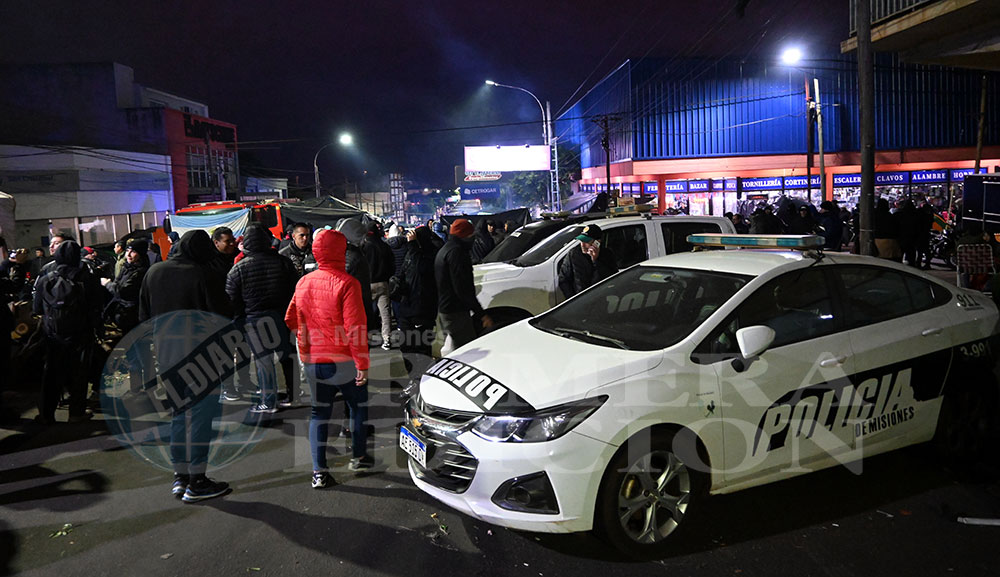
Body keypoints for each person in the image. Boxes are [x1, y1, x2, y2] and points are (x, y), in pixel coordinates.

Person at [138, 230, 232, 503]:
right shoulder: (203, 273)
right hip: (203, 357)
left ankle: (180, 477)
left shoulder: (154, 272)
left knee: (179, 415)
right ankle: (198, 480)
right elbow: (222, 314)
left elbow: (143, 316)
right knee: (201, 418)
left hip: (167, 356)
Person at [285, 229, 373, 488]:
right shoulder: (347, 283)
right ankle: (358, 457)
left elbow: (290, 318)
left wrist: (306, 338)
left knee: (318, 413)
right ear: (340, 252)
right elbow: (355, 328)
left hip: (313, 360)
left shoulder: (303, 282)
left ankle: (319, 472)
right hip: (344, 360)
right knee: (357, 407)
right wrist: (363, 364)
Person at [226, 224, 298, 413]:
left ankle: (268, 401)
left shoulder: (238, 268)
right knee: (287, 356)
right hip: (283, 316)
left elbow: (232, 299)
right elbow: (295, 289)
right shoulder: (283, 262)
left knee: (263, 361)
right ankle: (293, 394)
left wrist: (239, 319)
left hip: (255, 320)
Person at [33, 239, 104, 424]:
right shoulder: (87, 278)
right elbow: (97, 305)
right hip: (81, 333)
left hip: (53, 334)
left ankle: (46, 414)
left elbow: (37, 308)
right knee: (78, 373)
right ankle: (76, 413)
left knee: (51, 374)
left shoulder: (46, 277)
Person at [435, 219, 493, 351]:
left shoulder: (446, 249)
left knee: (453, 350)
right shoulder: (457, 253)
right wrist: (481, 314)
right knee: (466, 351)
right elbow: (463, 288)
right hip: (456, 312)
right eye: (471, 236)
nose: (473, 239)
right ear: (465, 236)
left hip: (446, 309)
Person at [397, 226, 439, 383]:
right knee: (407, 347)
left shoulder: (429, 255)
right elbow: (404, 273)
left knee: (421, 349)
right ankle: (413, 380)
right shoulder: (412, 253)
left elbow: (421, 269)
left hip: (422, 310)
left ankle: (423, 382)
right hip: (407, 308)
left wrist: (413, 245)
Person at [557, 223, 619, 299]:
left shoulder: (606, 254)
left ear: (597, 242)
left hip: (600, 299)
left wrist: (595, 260)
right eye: (581, 241)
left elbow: (612, 278)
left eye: (586, 241)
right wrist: (573, 299)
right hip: (580, 301)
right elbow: (563, 279)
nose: (582, 245)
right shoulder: (574, 254)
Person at [361, 221, 395, 350]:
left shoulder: (363, 246)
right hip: (383, 283)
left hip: (366, 284)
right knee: (385, 313)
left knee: (365, 313)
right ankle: (387, 339)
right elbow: (392, 265)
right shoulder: (384, 246)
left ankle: (366, 339)